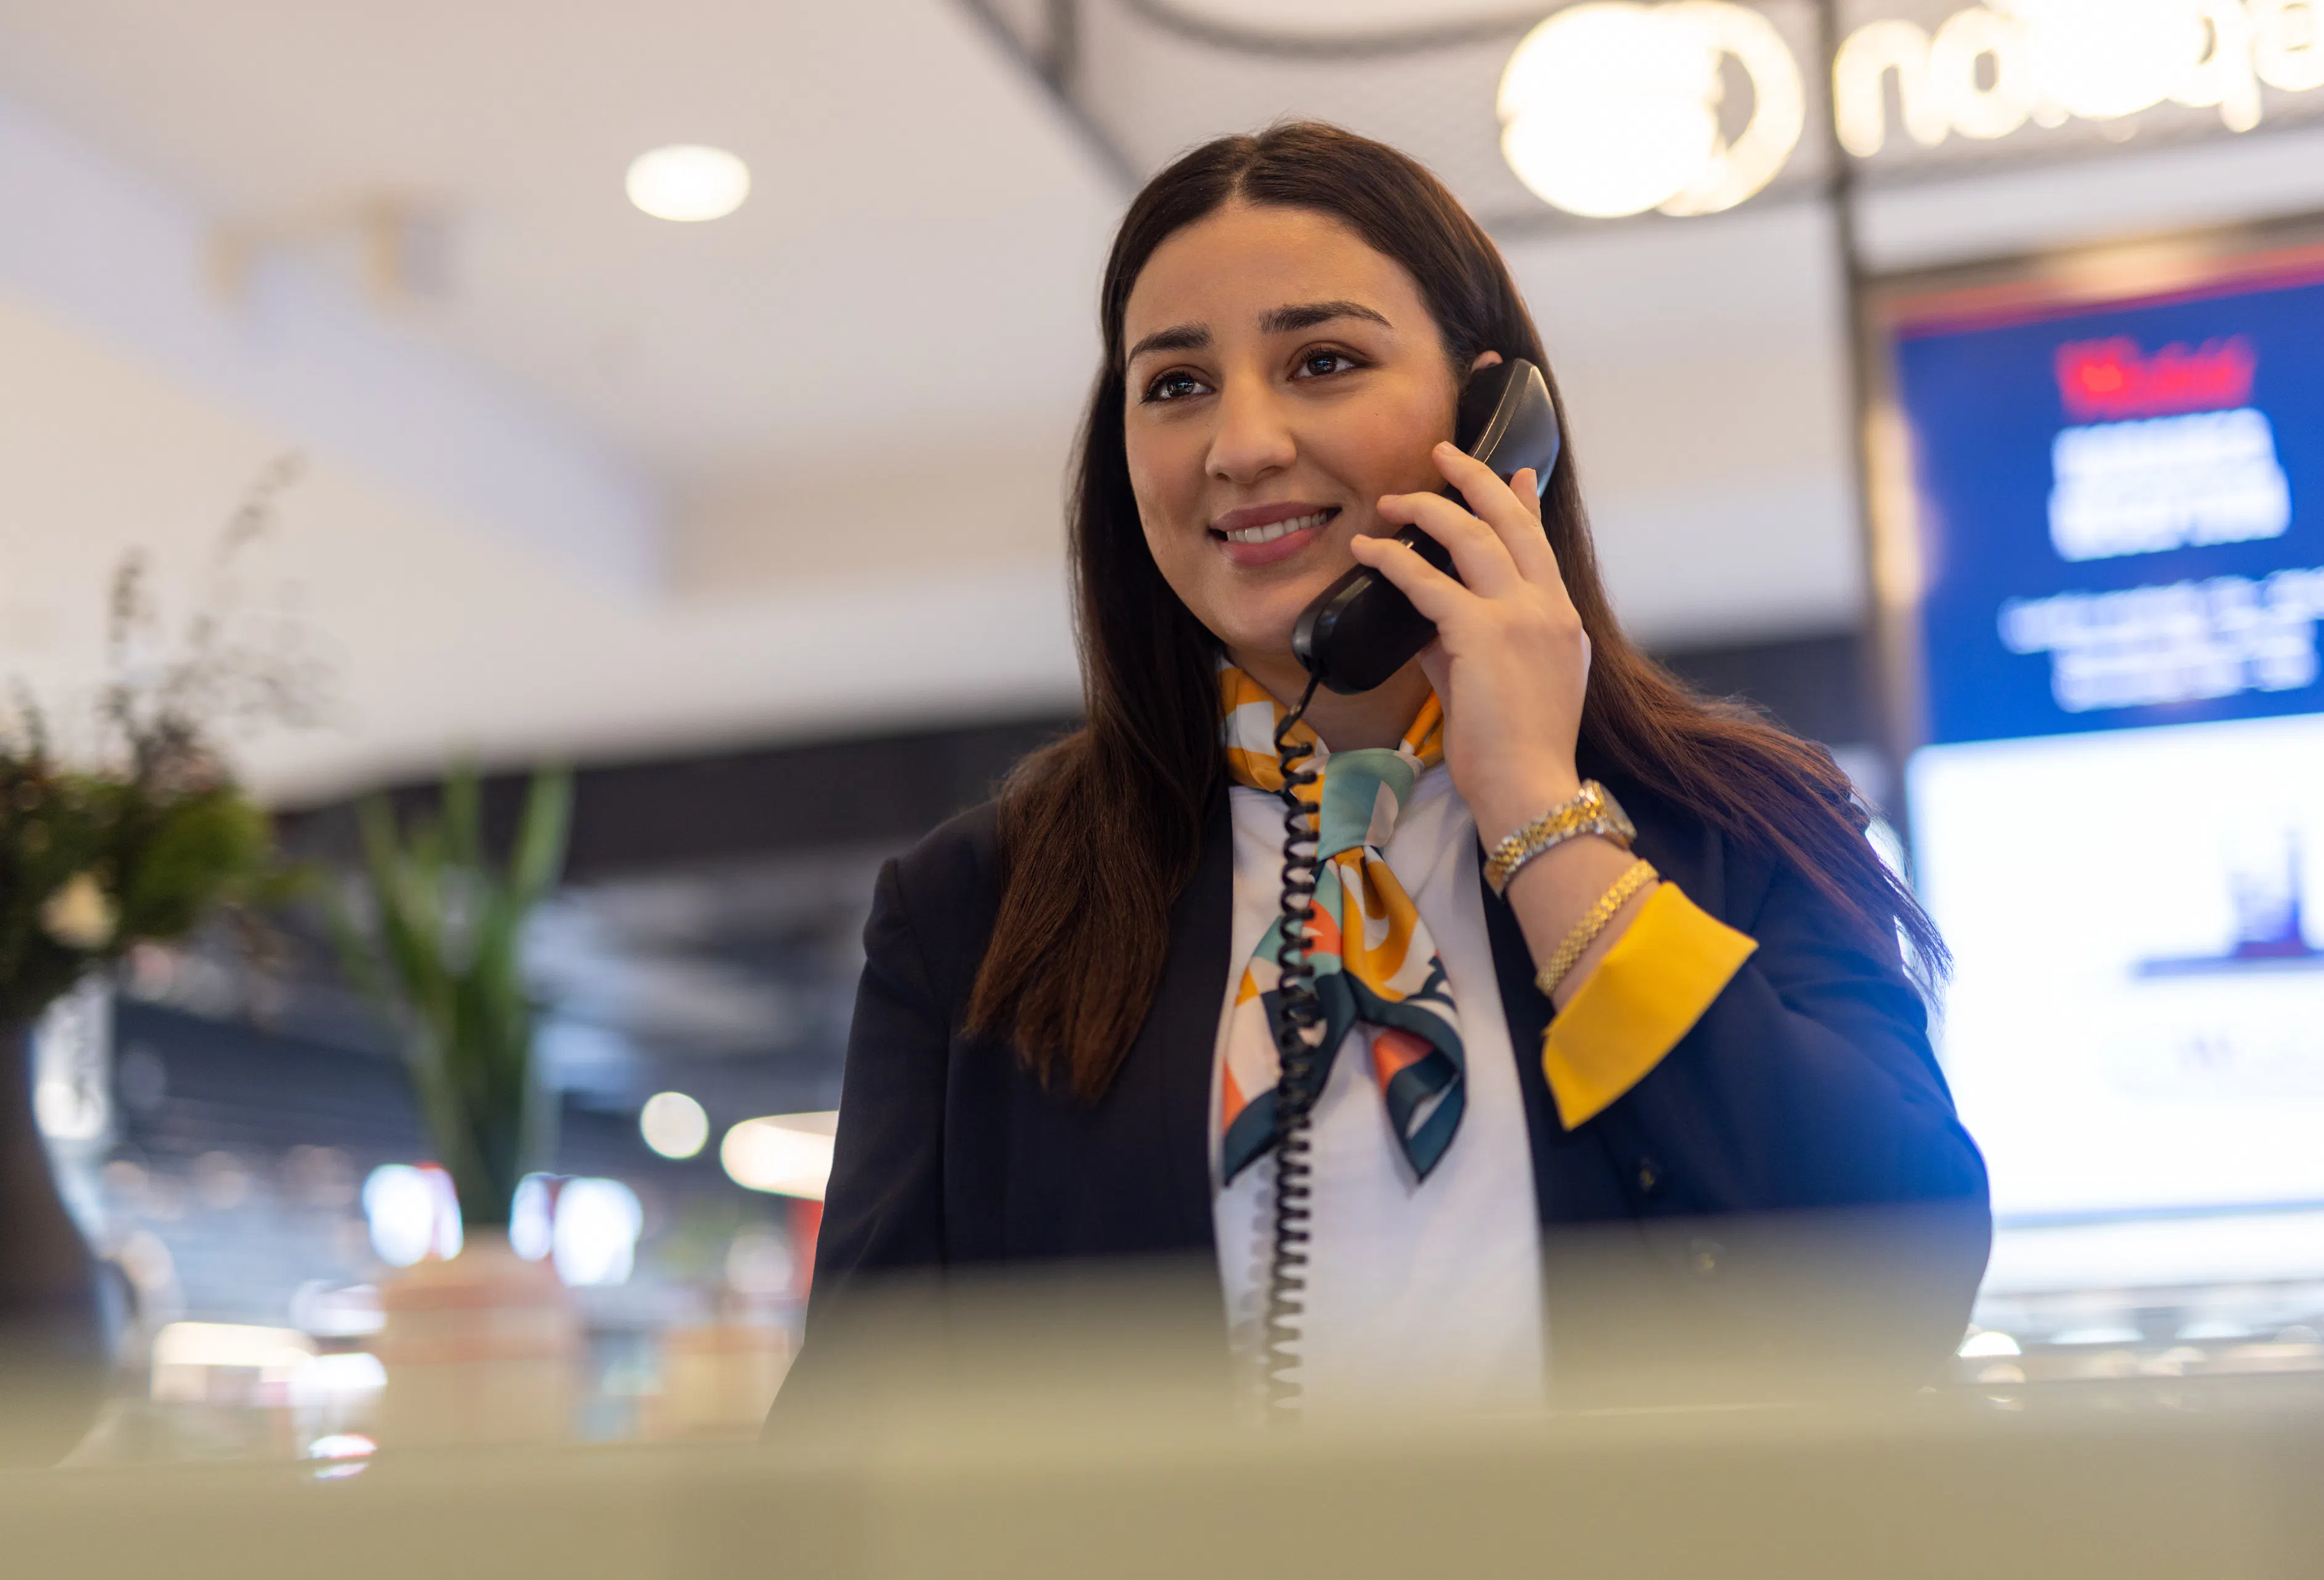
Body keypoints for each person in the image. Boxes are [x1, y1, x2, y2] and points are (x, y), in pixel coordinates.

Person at [780, 122, 1988, 1417]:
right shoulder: (974, 909)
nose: (1240, 443)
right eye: (1176, 385)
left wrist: (1537, 804)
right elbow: (859, 1447)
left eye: (1324, 360)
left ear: (1492, 421)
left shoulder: (1743, 822)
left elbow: (1899, 1284)